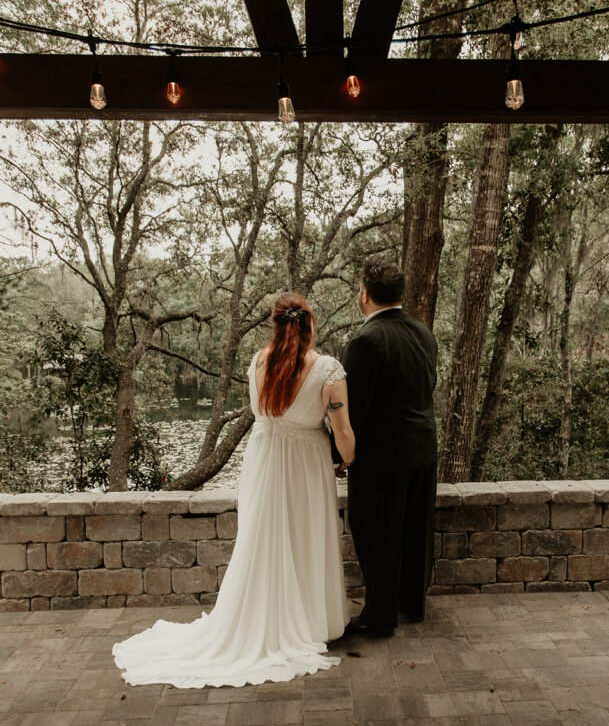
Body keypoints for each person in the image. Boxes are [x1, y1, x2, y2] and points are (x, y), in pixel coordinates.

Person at [113, 293, 354, 688]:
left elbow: (268, 417)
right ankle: (312, 620)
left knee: (264, 540)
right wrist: (347, 458)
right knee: (305, 535)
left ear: (275, 323)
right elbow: (342, 431)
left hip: (265, 462)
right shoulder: (327, 369)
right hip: (305, 465)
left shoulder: (258, 362)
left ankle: (267, 618)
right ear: (310, 323)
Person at [340, 258, 438, 638]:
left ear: (364, 295)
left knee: (376, 531)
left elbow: (354, 409)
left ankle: (380, 616)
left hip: (382, 457)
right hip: (423, 449)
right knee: (416, 528)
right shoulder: (423, 333)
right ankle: (412, 604)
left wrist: (342, 455)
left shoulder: (366, 341)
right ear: (399, 295)